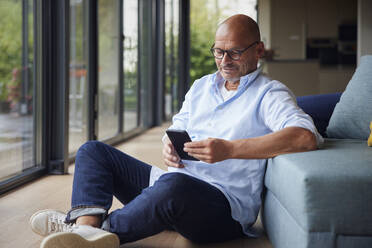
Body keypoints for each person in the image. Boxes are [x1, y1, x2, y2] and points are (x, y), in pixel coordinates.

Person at [29, 14, 322, 248]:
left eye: (234, 52)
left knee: (174, 188)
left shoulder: (270, 93)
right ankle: (86, 230)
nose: (224, 61)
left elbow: (304, 137)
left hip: (222, 209)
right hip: (172, 185)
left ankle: (86, 232)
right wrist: (168, 143)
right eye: (218, 52)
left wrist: (229, 150)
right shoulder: (202, 86)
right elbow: (177, 126)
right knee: (92, 151)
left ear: (258, 49)